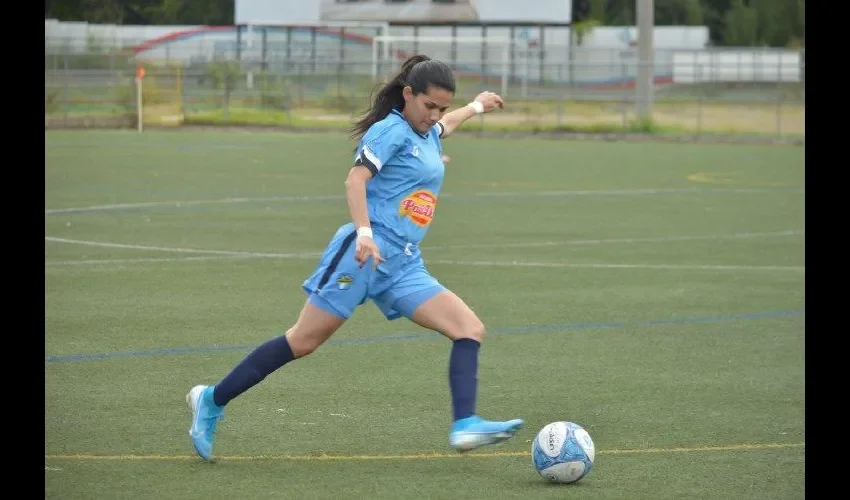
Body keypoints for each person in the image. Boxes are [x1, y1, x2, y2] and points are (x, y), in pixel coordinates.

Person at [186, 54, 523, 462]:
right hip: (362, 255)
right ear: (408, 95)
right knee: (303, 341)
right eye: (428, 105)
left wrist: (476, 107)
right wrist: (364, 233)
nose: (435, 115)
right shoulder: (390, 131)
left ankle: (464, 424)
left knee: (469, 329)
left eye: (442, 108)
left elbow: (444, 128)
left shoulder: (429, 130)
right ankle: (212, 399)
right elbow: (356, 179)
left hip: (403, 264)